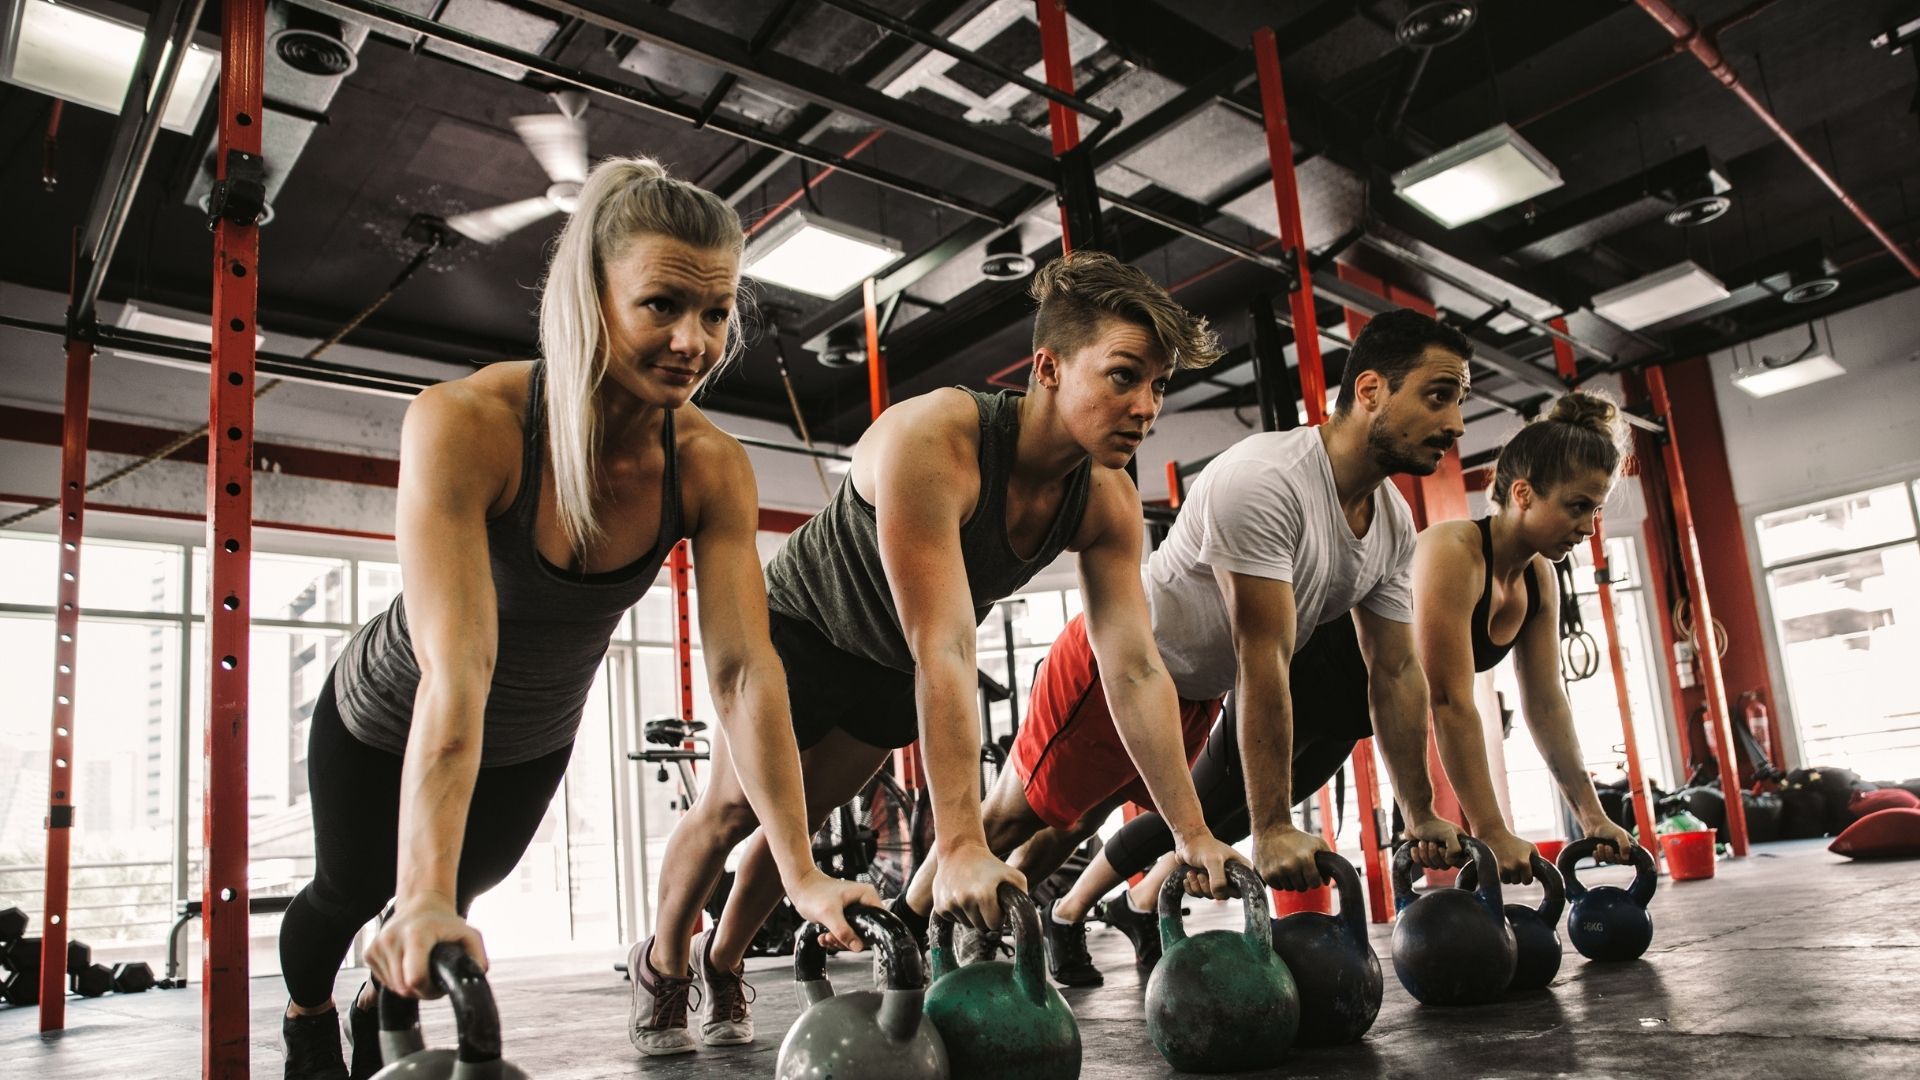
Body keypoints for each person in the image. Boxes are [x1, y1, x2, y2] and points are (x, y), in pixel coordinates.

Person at [276, 157, 877, 1080]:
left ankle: (377, 997)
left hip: (530, 737)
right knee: (351, 891)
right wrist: (421, 891)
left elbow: (744, 671)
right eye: (662, 305)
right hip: (393, 715)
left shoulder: (709, 464)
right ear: (590, 299)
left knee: (461, 890)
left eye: (716, 313)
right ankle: (309, 1016)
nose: (693, 341)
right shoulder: (468, 423)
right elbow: (459, 667)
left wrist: (799, 872)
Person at [639, 250, 1239, 1053]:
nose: (1146, 407)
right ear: (1048, 368)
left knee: (805, 821)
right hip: (801, 632)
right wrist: (958, 842)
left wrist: (1190, 830)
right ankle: (663, 964)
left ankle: (721, 961)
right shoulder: (937, 439)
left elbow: (1132, 667)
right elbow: (947, 644)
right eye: (1125, 376)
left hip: (891, 670)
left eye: (1159, 386)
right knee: (730, 812)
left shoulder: (1106, 501)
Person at [1039, 308, 1472, 980]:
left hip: (1197, 694)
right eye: (1439, 396)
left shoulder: (1391, 522)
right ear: (1370, 391)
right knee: (1043, 823)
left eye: (1460, 401)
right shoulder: (1268, 478)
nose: (1456, 423)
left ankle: (1085, 911)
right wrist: (1273, 827)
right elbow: (1262, 656)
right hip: (1120, 665)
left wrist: (1420, 811)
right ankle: (1004, 922)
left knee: (1174, 817)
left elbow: (1394, 670)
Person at [1413, 391, 1637, 884]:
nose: (1588, 527)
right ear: (1523, 494)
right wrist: (1492, 830)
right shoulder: (1453, 552)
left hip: (1353, 724)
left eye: (1596, 510)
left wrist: (1592, 815)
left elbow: (1546, 703)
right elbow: (1448, 701)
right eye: (1577, 506)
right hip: (1306, 700)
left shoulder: (1538, 577)